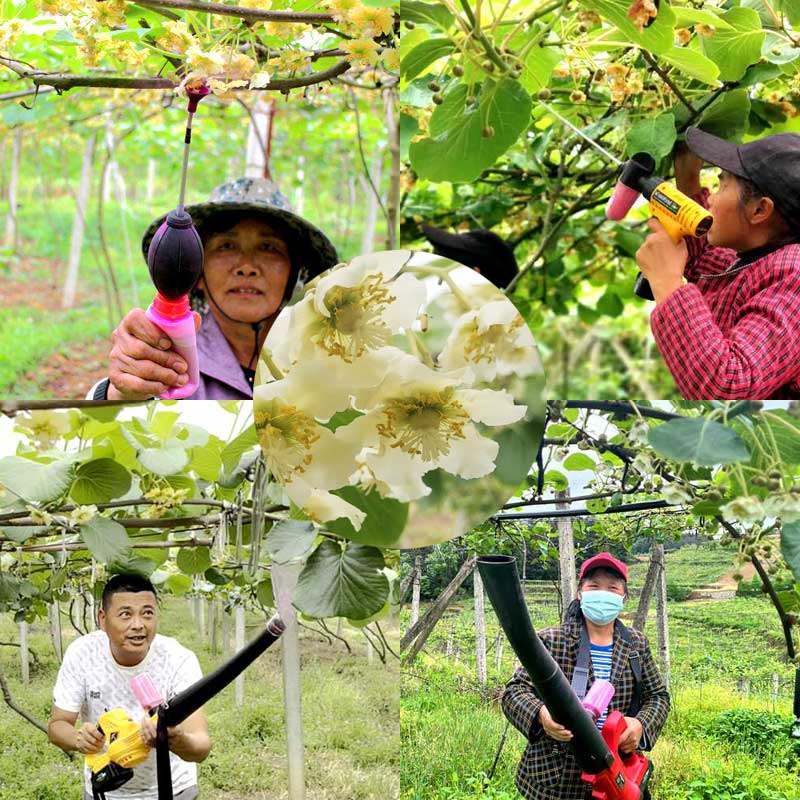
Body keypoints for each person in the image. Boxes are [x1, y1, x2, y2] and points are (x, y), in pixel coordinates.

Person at [90, 177, 338, 400]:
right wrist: (123, 391)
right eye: (227, 246)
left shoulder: (327, 360)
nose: (247, 266)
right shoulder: (167, 354)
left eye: (268, 247)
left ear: (295, 274)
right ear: (195, 271)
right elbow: (99, 431)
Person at [635, 127, 800, 398]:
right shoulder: (759, 259)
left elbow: (728, 386)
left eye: (722, 183)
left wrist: (667, 281)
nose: (711, 195)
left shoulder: (795, 273)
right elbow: (705, 261)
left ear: (759, 210)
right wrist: (687, 182)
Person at [502, 552, 670, 800]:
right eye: (594, 586)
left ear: (624, 597)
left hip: (616, 773)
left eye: (612, 588)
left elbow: (658, 696)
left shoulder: (635, 644)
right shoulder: (552, 640)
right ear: (581, 593)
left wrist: (640, 724)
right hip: (556, 778)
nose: (603, 593)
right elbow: (514, 691)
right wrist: (541, 715)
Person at [48, 574, 211, 800]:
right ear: (102, 619)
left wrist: (175, 739)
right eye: (125, 614)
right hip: (106, 789)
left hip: (173, 790)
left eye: (147, 613)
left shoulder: (178, 659)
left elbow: (201, 747)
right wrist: (78, 738)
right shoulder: (82, 654)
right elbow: (57, 725)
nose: (138, 625)